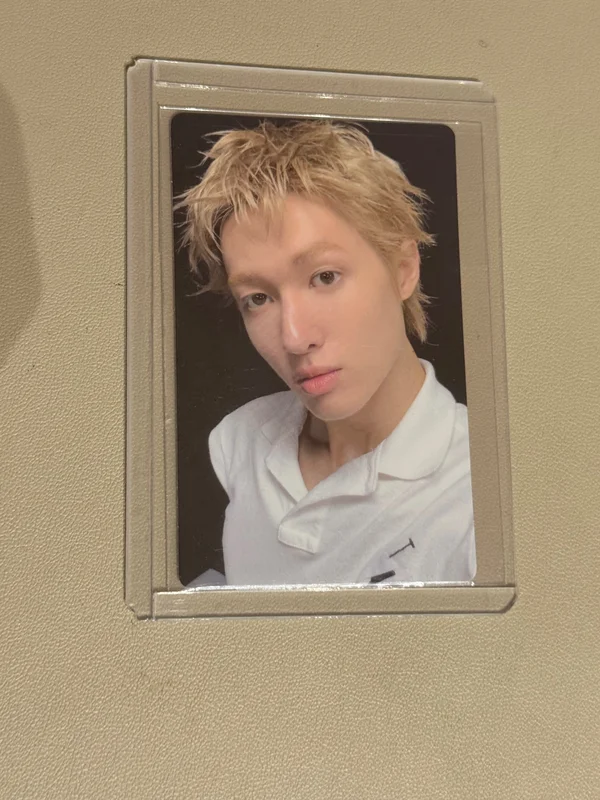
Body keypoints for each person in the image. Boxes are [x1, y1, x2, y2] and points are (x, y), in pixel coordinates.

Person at [177, 119, 476, 586]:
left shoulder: (481, 495)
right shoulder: (240, 440)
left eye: (324, 277)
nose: (294, 338)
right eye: (258, 298)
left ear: (403, 269)